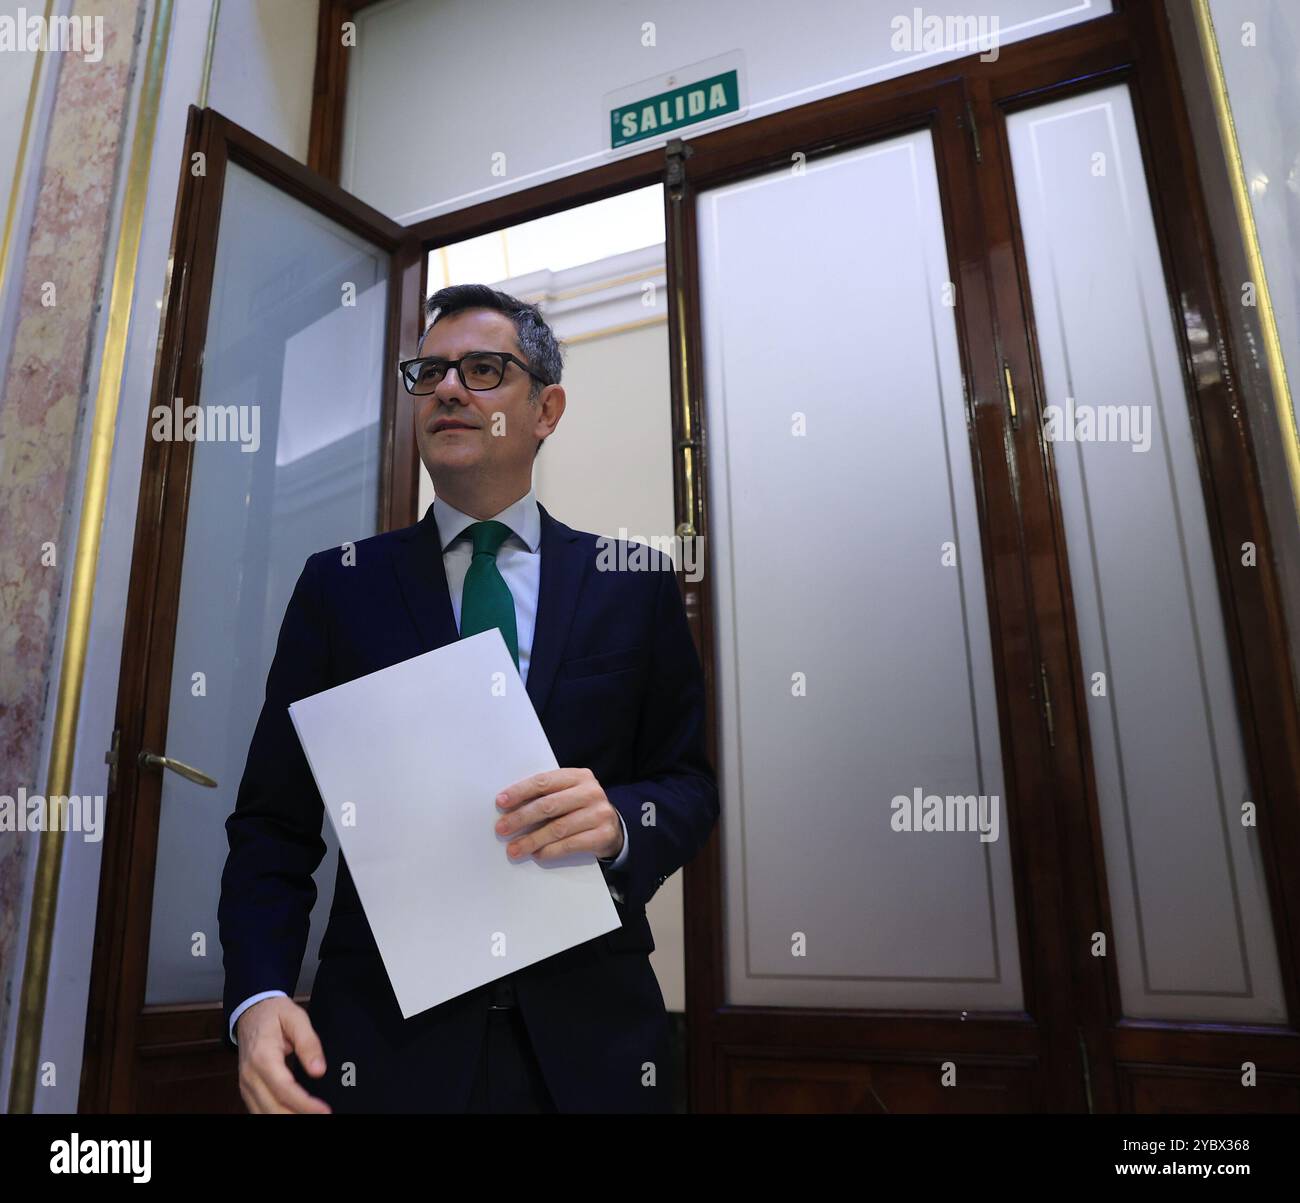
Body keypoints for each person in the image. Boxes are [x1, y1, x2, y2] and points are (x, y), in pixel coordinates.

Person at [217, 283, 718, 1113]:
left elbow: (689, 785)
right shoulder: (340, 588)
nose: (448, 388)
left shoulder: (633, 585)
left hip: (591, 1046)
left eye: (484, 369)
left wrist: (624, 823)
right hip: (385, 1045)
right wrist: (258, 994)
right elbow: (274, 823)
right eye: (431, 371)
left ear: (546, 409)